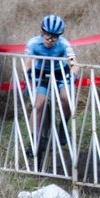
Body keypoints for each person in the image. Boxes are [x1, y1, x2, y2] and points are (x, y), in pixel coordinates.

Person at [22, 14, 78, 155]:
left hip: (59, 73)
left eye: (55, 37)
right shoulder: (33, 43)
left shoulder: (64, 44)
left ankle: (63, 126)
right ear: (42, 32)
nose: (50, 40)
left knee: (67, 98)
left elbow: (74, 63)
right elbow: (27, 63)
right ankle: (33, 142)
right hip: (40, 73)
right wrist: (28, 77)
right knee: (38, 104)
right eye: (47, 36)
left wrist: (73, 75)